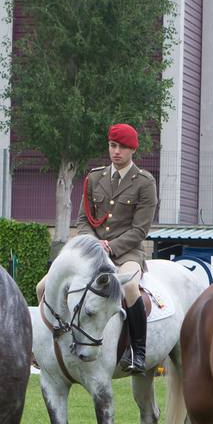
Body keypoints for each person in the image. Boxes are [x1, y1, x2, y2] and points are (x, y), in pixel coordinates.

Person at [74, 123, 157, 373]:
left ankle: (137, 351)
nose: (116, 151)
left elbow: (140, 230)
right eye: (112, 145)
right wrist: (93, 244)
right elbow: (83, 220)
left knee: (130, 286)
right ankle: (55, 341)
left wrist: (110, 247)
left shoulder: (144, 182)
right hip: (94, 252)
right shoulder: (95, 177)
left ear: (133, 150)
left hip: (127, 253)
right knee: (45, 285)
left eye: (122, 147)